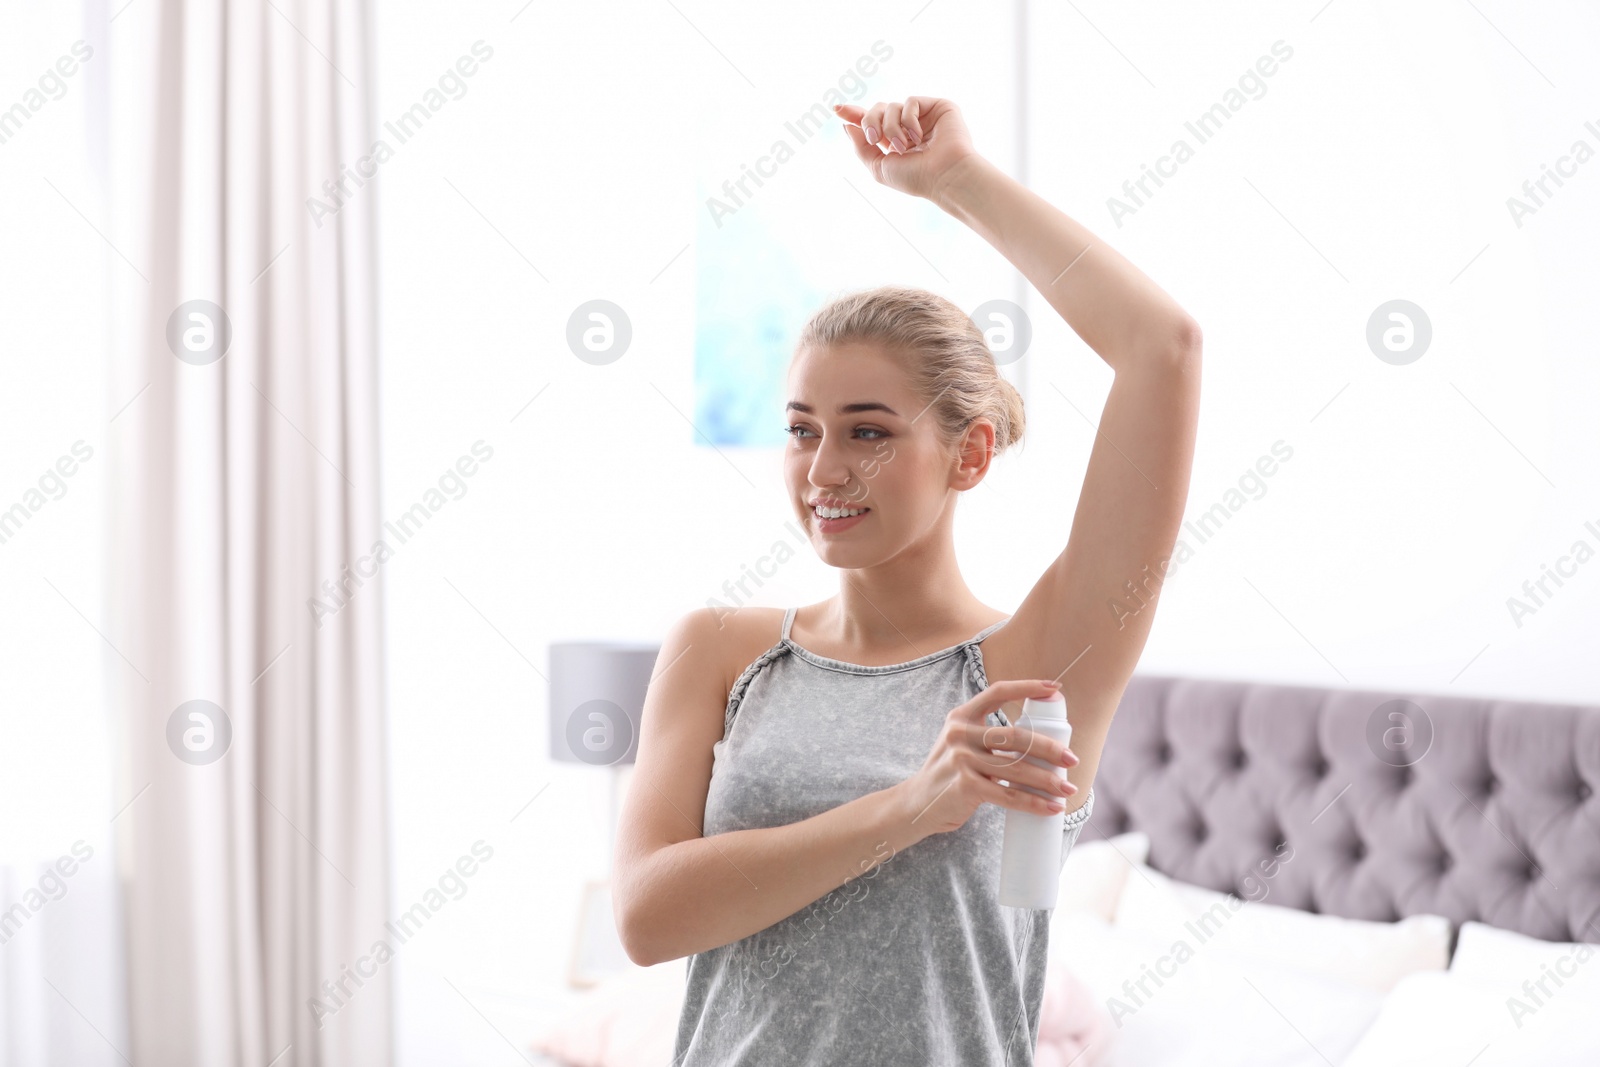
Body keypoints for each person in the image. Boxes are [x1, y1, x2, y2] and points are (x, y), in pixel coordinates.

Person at [613, 95, 1201, 1066]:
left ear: (969, 454)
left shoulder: (1038, 666)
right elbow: (646, 916)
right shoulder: (721, 648)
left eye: (869, 431)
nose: (822, 469)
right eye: (803, 427)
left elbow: (1162, 348)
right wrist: (911, 805)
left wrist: (956, 181)